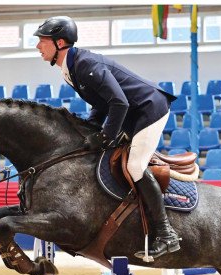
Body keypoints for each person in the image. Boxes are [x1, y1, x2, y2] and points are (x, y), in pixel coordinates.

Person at [34, 16, 180, 260]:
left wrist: (104, 136)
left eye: (42, 41)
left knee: (135, 166)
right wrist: (90, 126)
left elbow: (119, 102)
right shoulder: (71, 67)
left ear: (60, 42)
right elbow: (102, 102)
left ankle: (167, 234)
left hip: (149, 109)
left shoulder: (84, 64)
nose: (38, 46)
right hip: (131, 113)